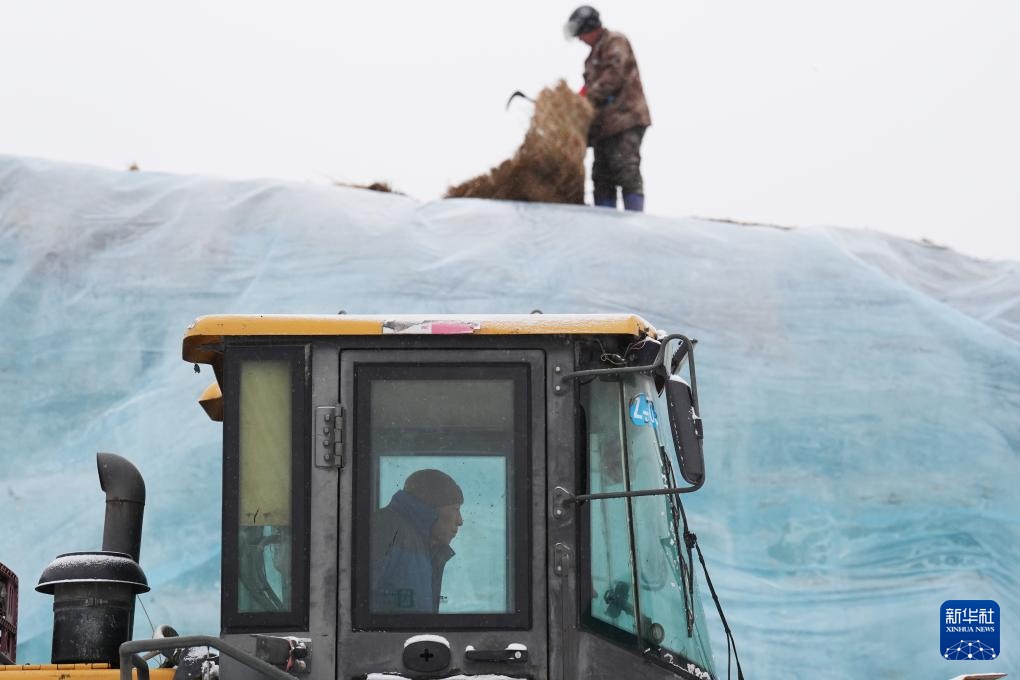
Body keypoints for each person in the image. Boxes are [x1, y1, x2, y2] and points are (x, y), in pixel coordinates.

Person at [565, 5, 652, 212]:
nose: (579, 39)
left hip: (625, 119)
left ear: (590, 28)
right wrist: (574, 102)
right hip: (604, 127)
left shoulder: (615, 42)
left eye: (581, 34)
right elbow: (589, 87)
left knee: (625, 169)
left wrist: (584, 100)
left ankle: (635, 223)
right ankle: (605, 228)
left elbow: (612, 76)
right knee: (602, 177)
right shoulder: (591, 58)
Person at [370, 468, 464, 613]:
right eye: (456, 509)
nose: (460, 521)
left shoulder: (423, 547)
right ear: (431, 508)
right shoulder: (386, 529)